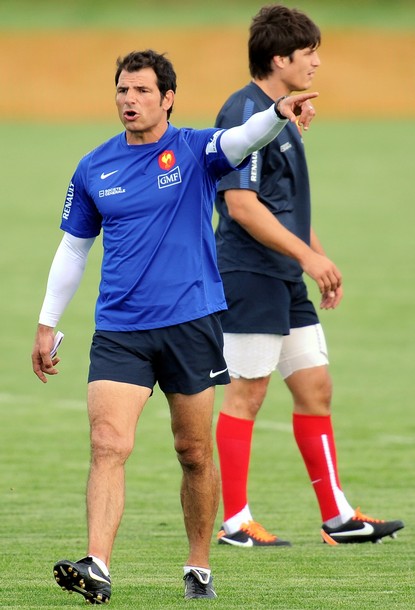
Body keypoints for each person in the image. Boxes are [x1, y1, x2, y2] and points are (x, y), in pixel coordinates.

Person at [31, 49, 319, 604]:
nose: (130, 100)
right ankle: (97, 565)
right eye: (122, 90)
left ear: (167, 98)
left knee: (193, 452)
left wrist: (277, 113)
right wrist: (47, 322)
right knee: (108, 443)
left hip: (191, 326)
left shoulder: (194, 149)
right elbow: (73, 249)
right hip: (120, 330)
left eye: (142, 90)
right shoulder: (94, 167)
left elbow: (242, 139)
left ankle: (199, 564)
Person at [214, 4, 404, 548]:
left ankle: (338, 517)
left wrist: (318, 258)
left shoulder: (285, 114)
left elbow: (283, 203)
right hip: (249, 273)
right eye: (308, 53)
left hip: (283, 274)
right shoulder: (244, 112)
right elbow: (242, 205)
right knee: (246, 394)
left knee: (315, 387)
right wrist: (309, 258)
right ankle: (235, 522)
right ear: (280, 58)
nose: (316, 62)